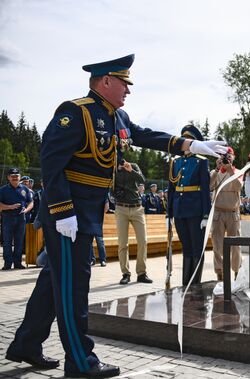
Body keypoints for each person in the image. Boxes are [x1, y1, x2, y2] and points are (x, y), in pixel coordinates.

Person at [5, 54, 226, 378]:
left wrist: (191, 146)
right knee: (74, 287)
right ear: (105, 81)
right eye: (124, 83)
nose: (128, 90)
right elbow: (51, 164)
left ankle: (26, 343)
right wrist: (62, 211)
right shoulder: (75, 112)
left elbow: (146, 135)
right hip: (69, 217)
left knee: (55, 281)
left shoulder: (117, 117)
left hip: (87, 214)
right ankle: (81, 362)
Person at [168, 124, 211, 285]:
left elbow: (205, 191)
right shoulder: (175, 162)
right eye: (184, 140)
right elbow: (171, 189)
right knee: (186, 248)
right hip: (179, 211)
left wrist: (206, 214)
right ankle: (186, 283)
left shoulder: (202, 162)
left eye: (189, 141)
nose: (186, 143)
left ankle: (195, 285)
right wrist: (169, 213)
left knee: (196, 249)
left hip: (195, 210)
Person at [114, 160, 151, 285]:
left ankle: (141, 273)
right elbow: (108, 186)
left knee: (143, 241)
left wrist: (131, 170)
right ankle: (125, 273)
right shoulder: (113, 169)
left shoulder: (133, 165)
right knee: (122, 243)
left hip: (137, 208)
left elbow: (142, 179)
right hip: (121, 208)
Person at [210, 146, 242, 281]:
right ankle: (220, 274)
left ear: (233, 158)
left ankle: (236, 272)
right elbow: (210, 186)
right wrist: (217, 170)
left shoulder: (239, 172)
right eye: (224, 156)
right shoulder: (214, 172)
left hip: (233, 213)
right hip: (218, 212)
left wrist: (230, 171)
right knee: (217, 245)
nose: (227, 158)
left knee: (236, 245)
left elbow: (238, 187)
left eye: (229, 156)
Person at [0, 168, 34, 270]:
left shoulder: (25, 189)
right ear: (8, 178)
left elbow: (31, 202)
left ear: (19, 177)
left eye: (17, 176)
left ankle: (18, 263)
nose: (15, 178)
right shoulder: (3, 190)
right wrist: (9, 207)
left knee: (19, 242)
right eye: (13, 176)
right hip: (7, 219)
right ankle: (7, 264)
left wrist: (26, 210)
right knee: (7, 242)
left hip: (21, 219)